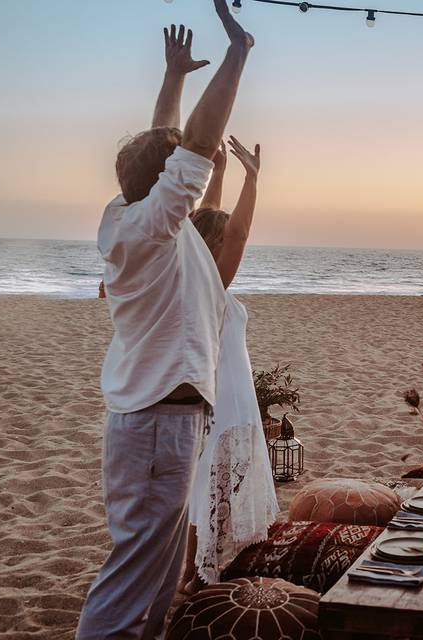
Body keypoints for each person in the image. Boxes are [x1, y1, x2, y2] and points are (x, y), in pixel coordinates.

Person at [77, 5, 254, 638]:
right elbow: (194, 148)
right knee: (134, 577)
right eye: (174, 171)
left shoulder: (130, 218)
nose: (185, 172)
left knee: (157, 576)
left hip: (155, 420)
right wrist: (238, 53)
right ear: (163, 187)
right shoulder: (153, 226)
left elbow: (163, 147)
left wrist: (173, 77)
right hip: (157, 425)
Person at [176, 136, 279, 595]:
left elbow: (208, 222)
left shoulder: (197, 280)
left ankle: (198, 567)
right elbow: (234, 231)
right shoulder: (212, 283)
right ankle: (198, 573)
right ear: (214, 245)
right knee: (210, 491)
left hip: (227, 397)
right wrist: (252, 179)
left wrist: (218, 170)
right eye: (223, 238)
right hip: (225, 401)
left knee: (208, 490)